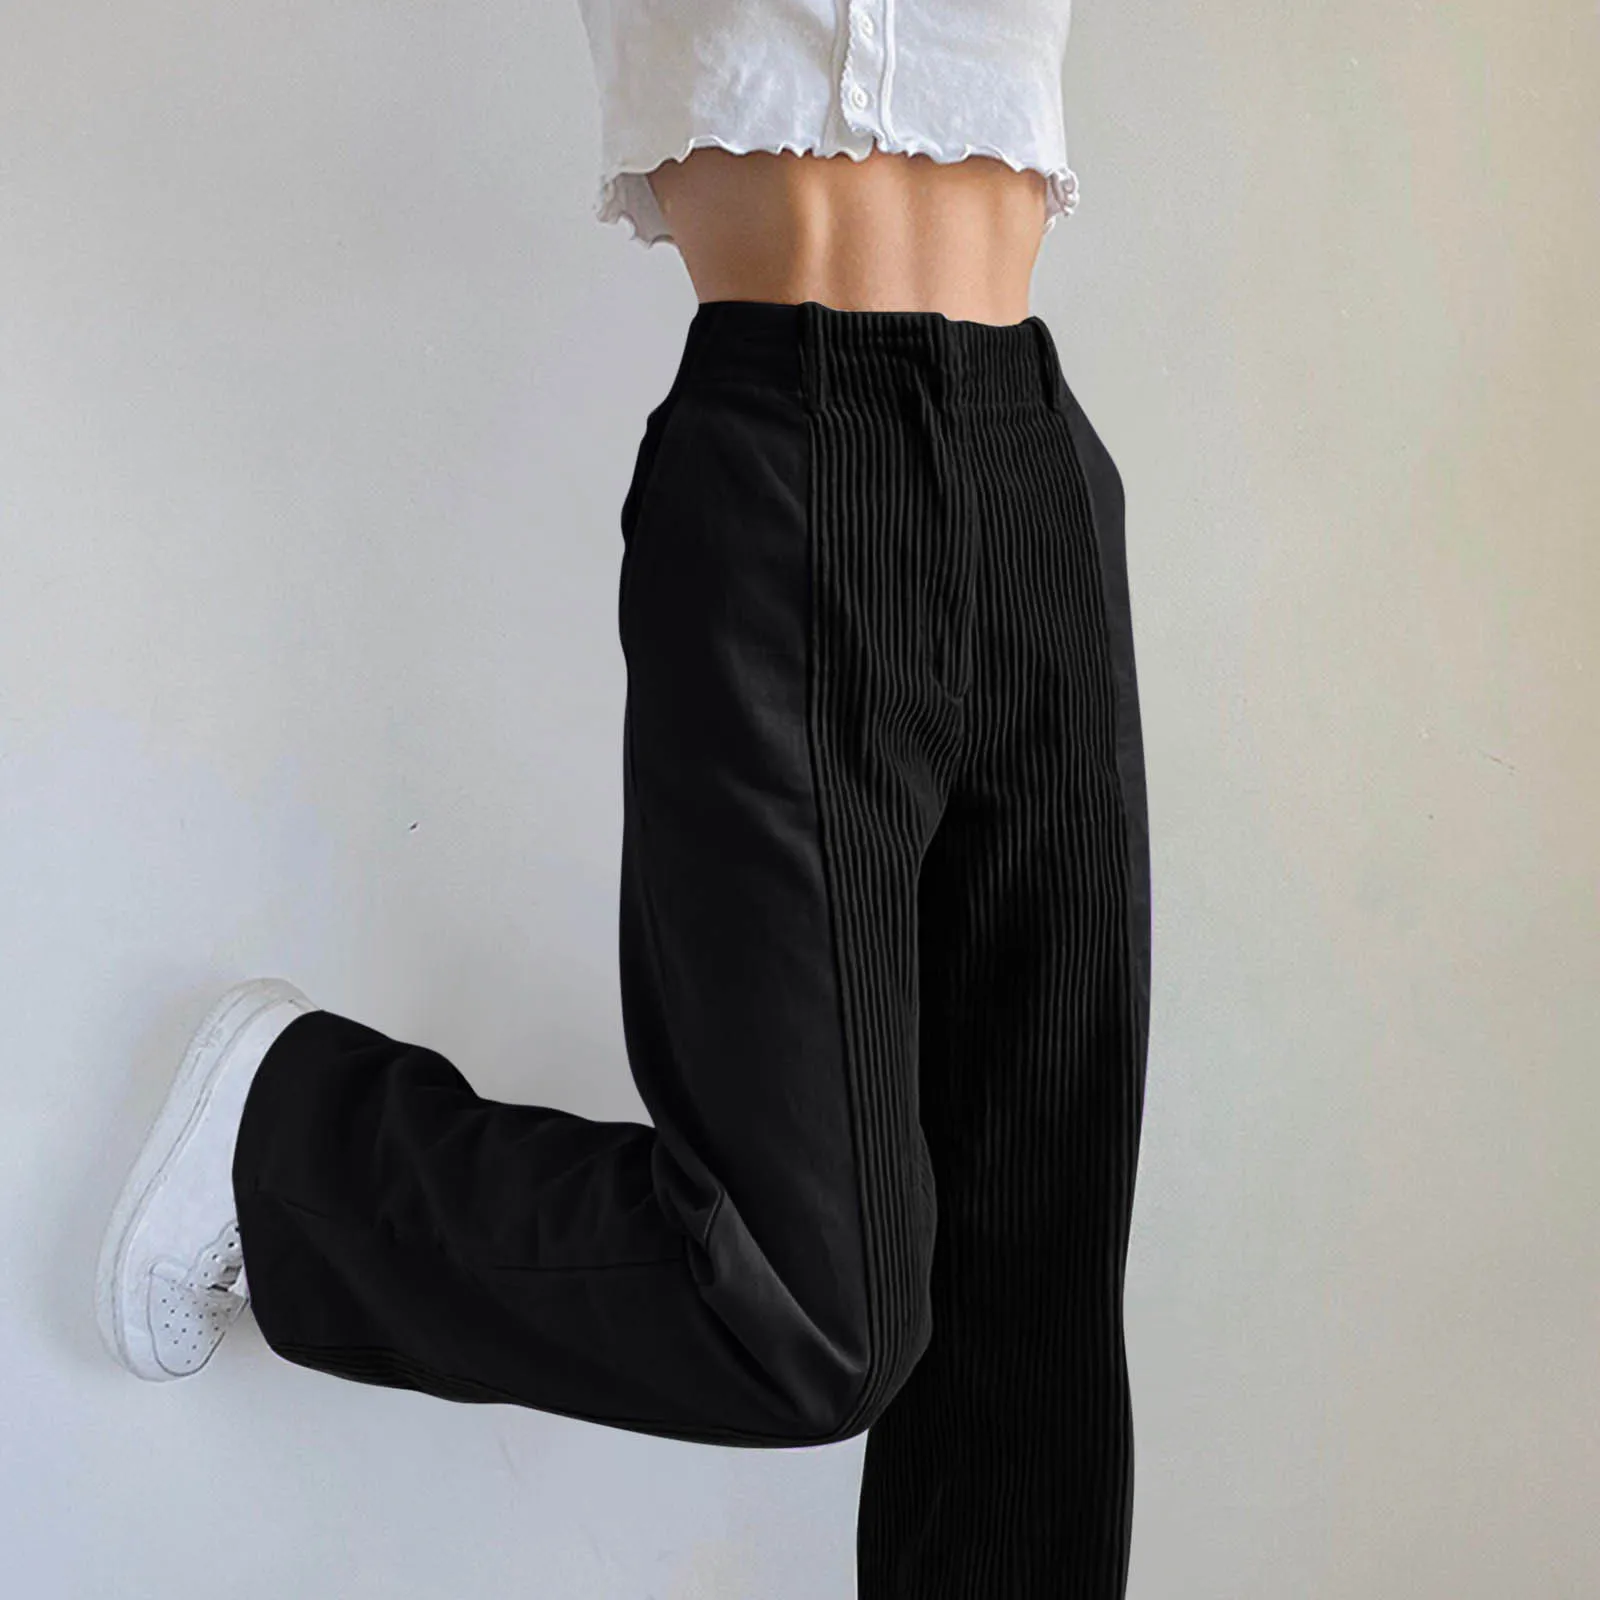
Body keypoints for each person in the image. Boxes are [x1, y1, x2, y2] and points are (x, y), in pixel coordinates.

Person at [95, 2, 1152, 1595]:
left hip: (1040, 477)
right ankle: (290, 1139)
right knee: (813, 1312)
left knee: (1034, 1317)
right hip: (798, 457)